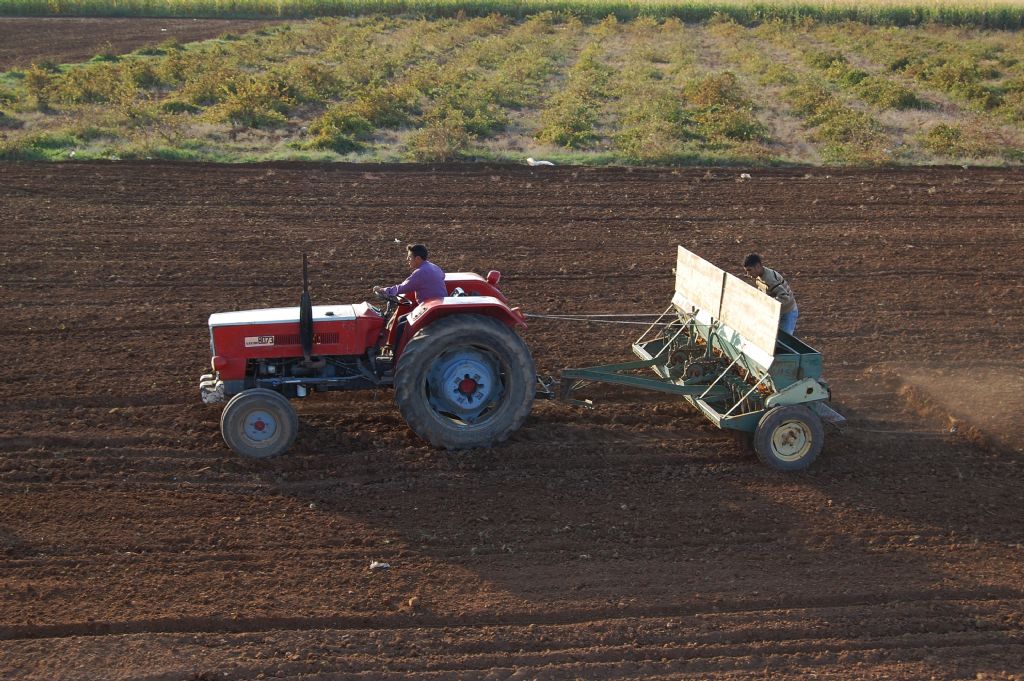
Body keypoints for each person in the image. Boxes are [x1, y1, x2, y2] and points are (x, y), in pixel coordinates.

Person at [743, 253, 799, 335]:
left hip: (787, 312)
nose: (748, 274)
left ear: (758, 266)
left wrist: (768, 303)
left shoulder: (770, 279)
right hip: (778, 312)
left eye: (749, 270)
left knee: (783, 341)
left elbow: (785, 298)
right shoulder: (758, 277)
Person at [373, 243, 447, 304]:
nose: (407, 259)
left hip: (431, 305)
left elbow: (403, 287)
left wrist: (383, 290)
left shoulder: (420, 272)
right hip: (438, 303)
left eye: (409, 257)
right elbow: (442, 276)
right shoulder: (434, 267)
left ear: (417, 258)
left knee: (402, 320)